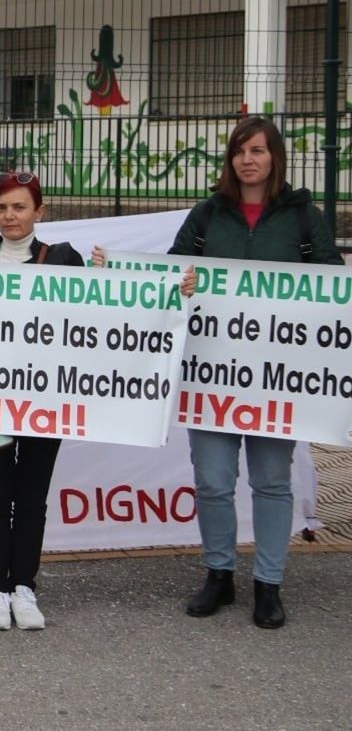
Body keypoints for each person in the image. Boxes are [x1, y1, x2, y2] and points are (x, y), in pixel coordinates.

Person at [165, 115, 339, 629]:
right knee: (213, 480)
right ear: (230, 159)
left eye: (258, 150)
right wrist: (186, 280)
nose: (248, 160)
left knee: (271, 480)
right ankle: (219, 574)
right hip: (213, 372)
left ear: (274, 157)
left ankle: (269, 583)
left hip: (276, 377)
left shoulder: (303, 216)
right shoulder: (207, 213)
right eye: (240, 151)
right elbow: (174, 270)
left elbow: (331, 281)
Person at [0, 171, 82, 631]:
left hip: (47, 398)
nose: (10, 216)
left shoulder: (66, 261)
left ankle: (23, 586)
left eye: (19, 207)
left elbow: (97, 316)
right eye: (2, 208)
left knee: (32, 497)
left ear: (39, 212)